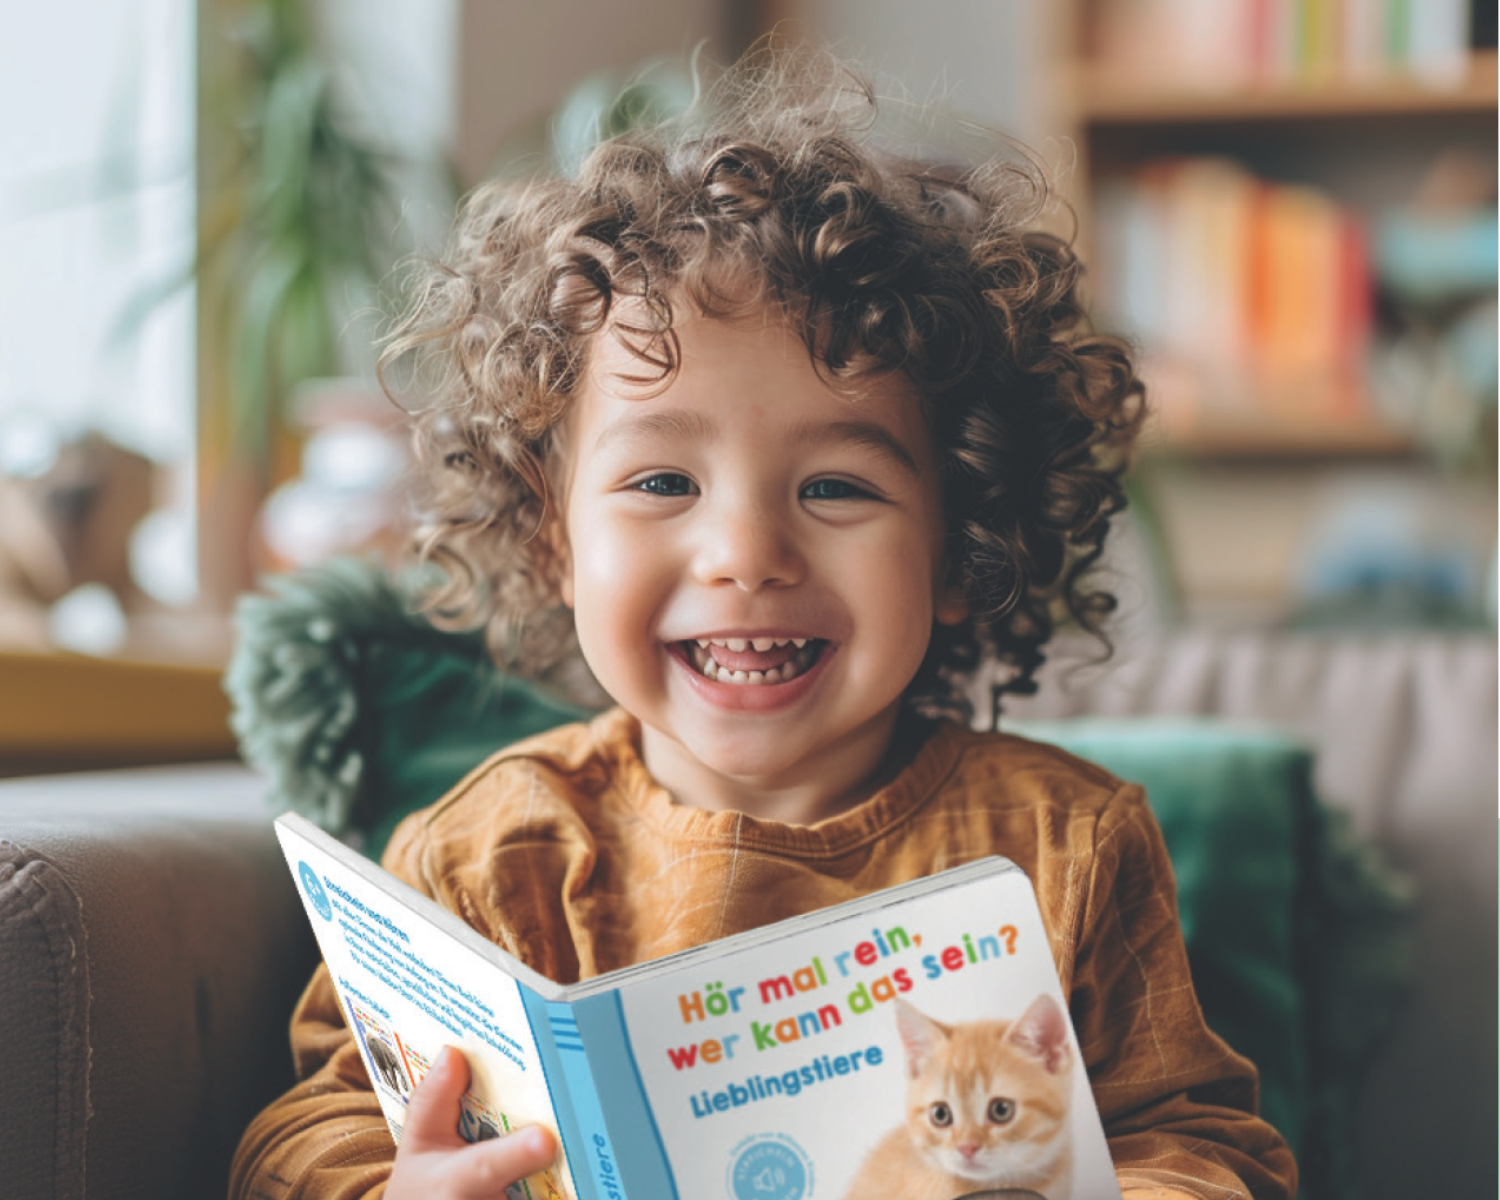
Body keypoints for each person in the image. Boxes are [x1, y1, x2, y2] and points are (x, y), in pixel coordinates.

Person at [230, 50, 1296, 1200]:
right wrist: (397, 1186)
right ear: (553, 540)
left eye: (837, 487)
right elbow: (316, 1126)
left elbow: (1200, 1144)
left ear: (961, 543)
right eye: (660, 485)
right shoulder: (489, 855)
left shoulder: (1066, 845)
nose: (746, 556)